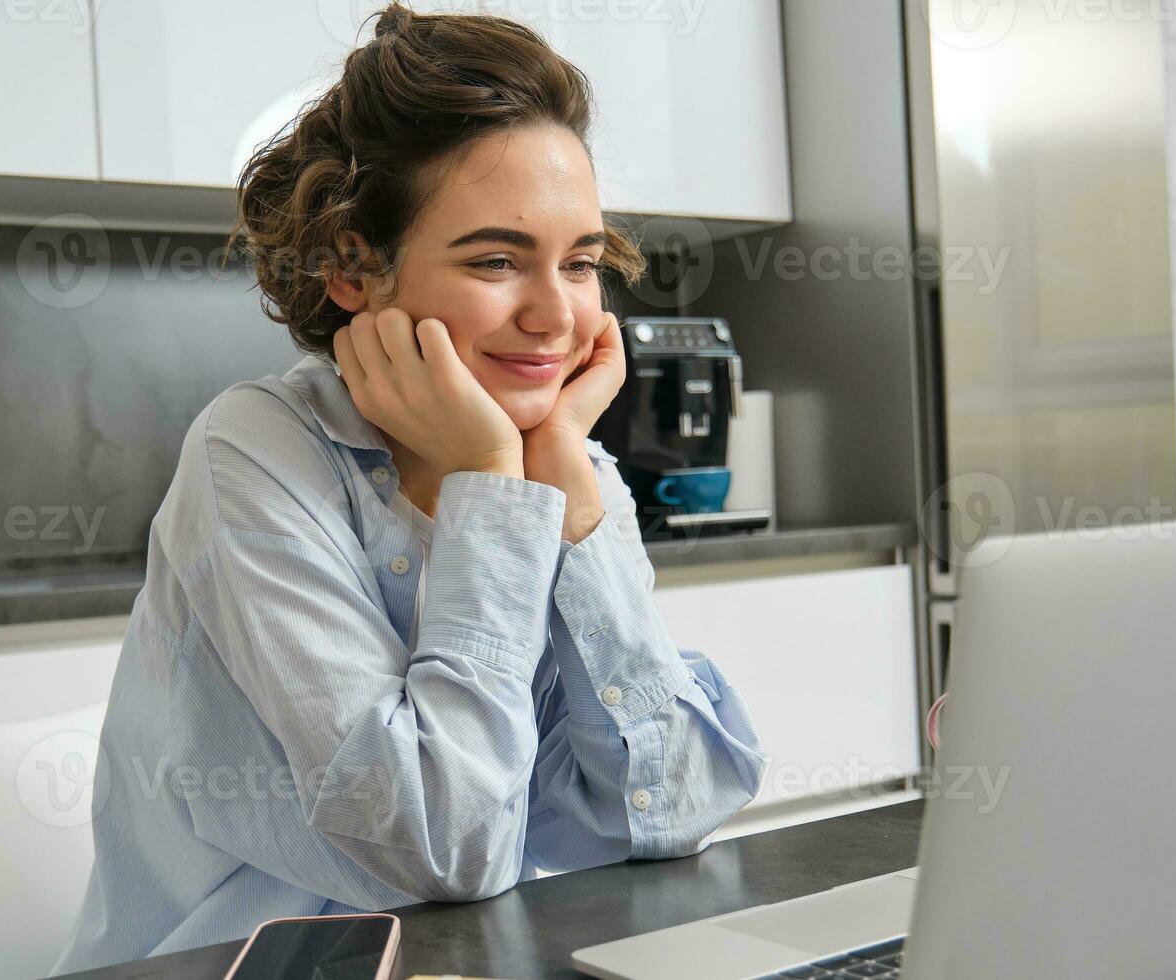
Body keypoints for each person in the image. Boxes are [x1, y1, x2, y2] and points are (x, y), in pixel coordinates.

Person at [52, 5, 767, 971]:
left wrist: (569, 494)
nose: (556, 314)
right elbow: (444, 850)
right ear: (354, 266)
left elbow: (674, 810)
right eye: (496, 260)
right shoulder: (255, 452)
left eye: (583, 262)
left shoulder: (564, 463)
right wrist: (491, 489)